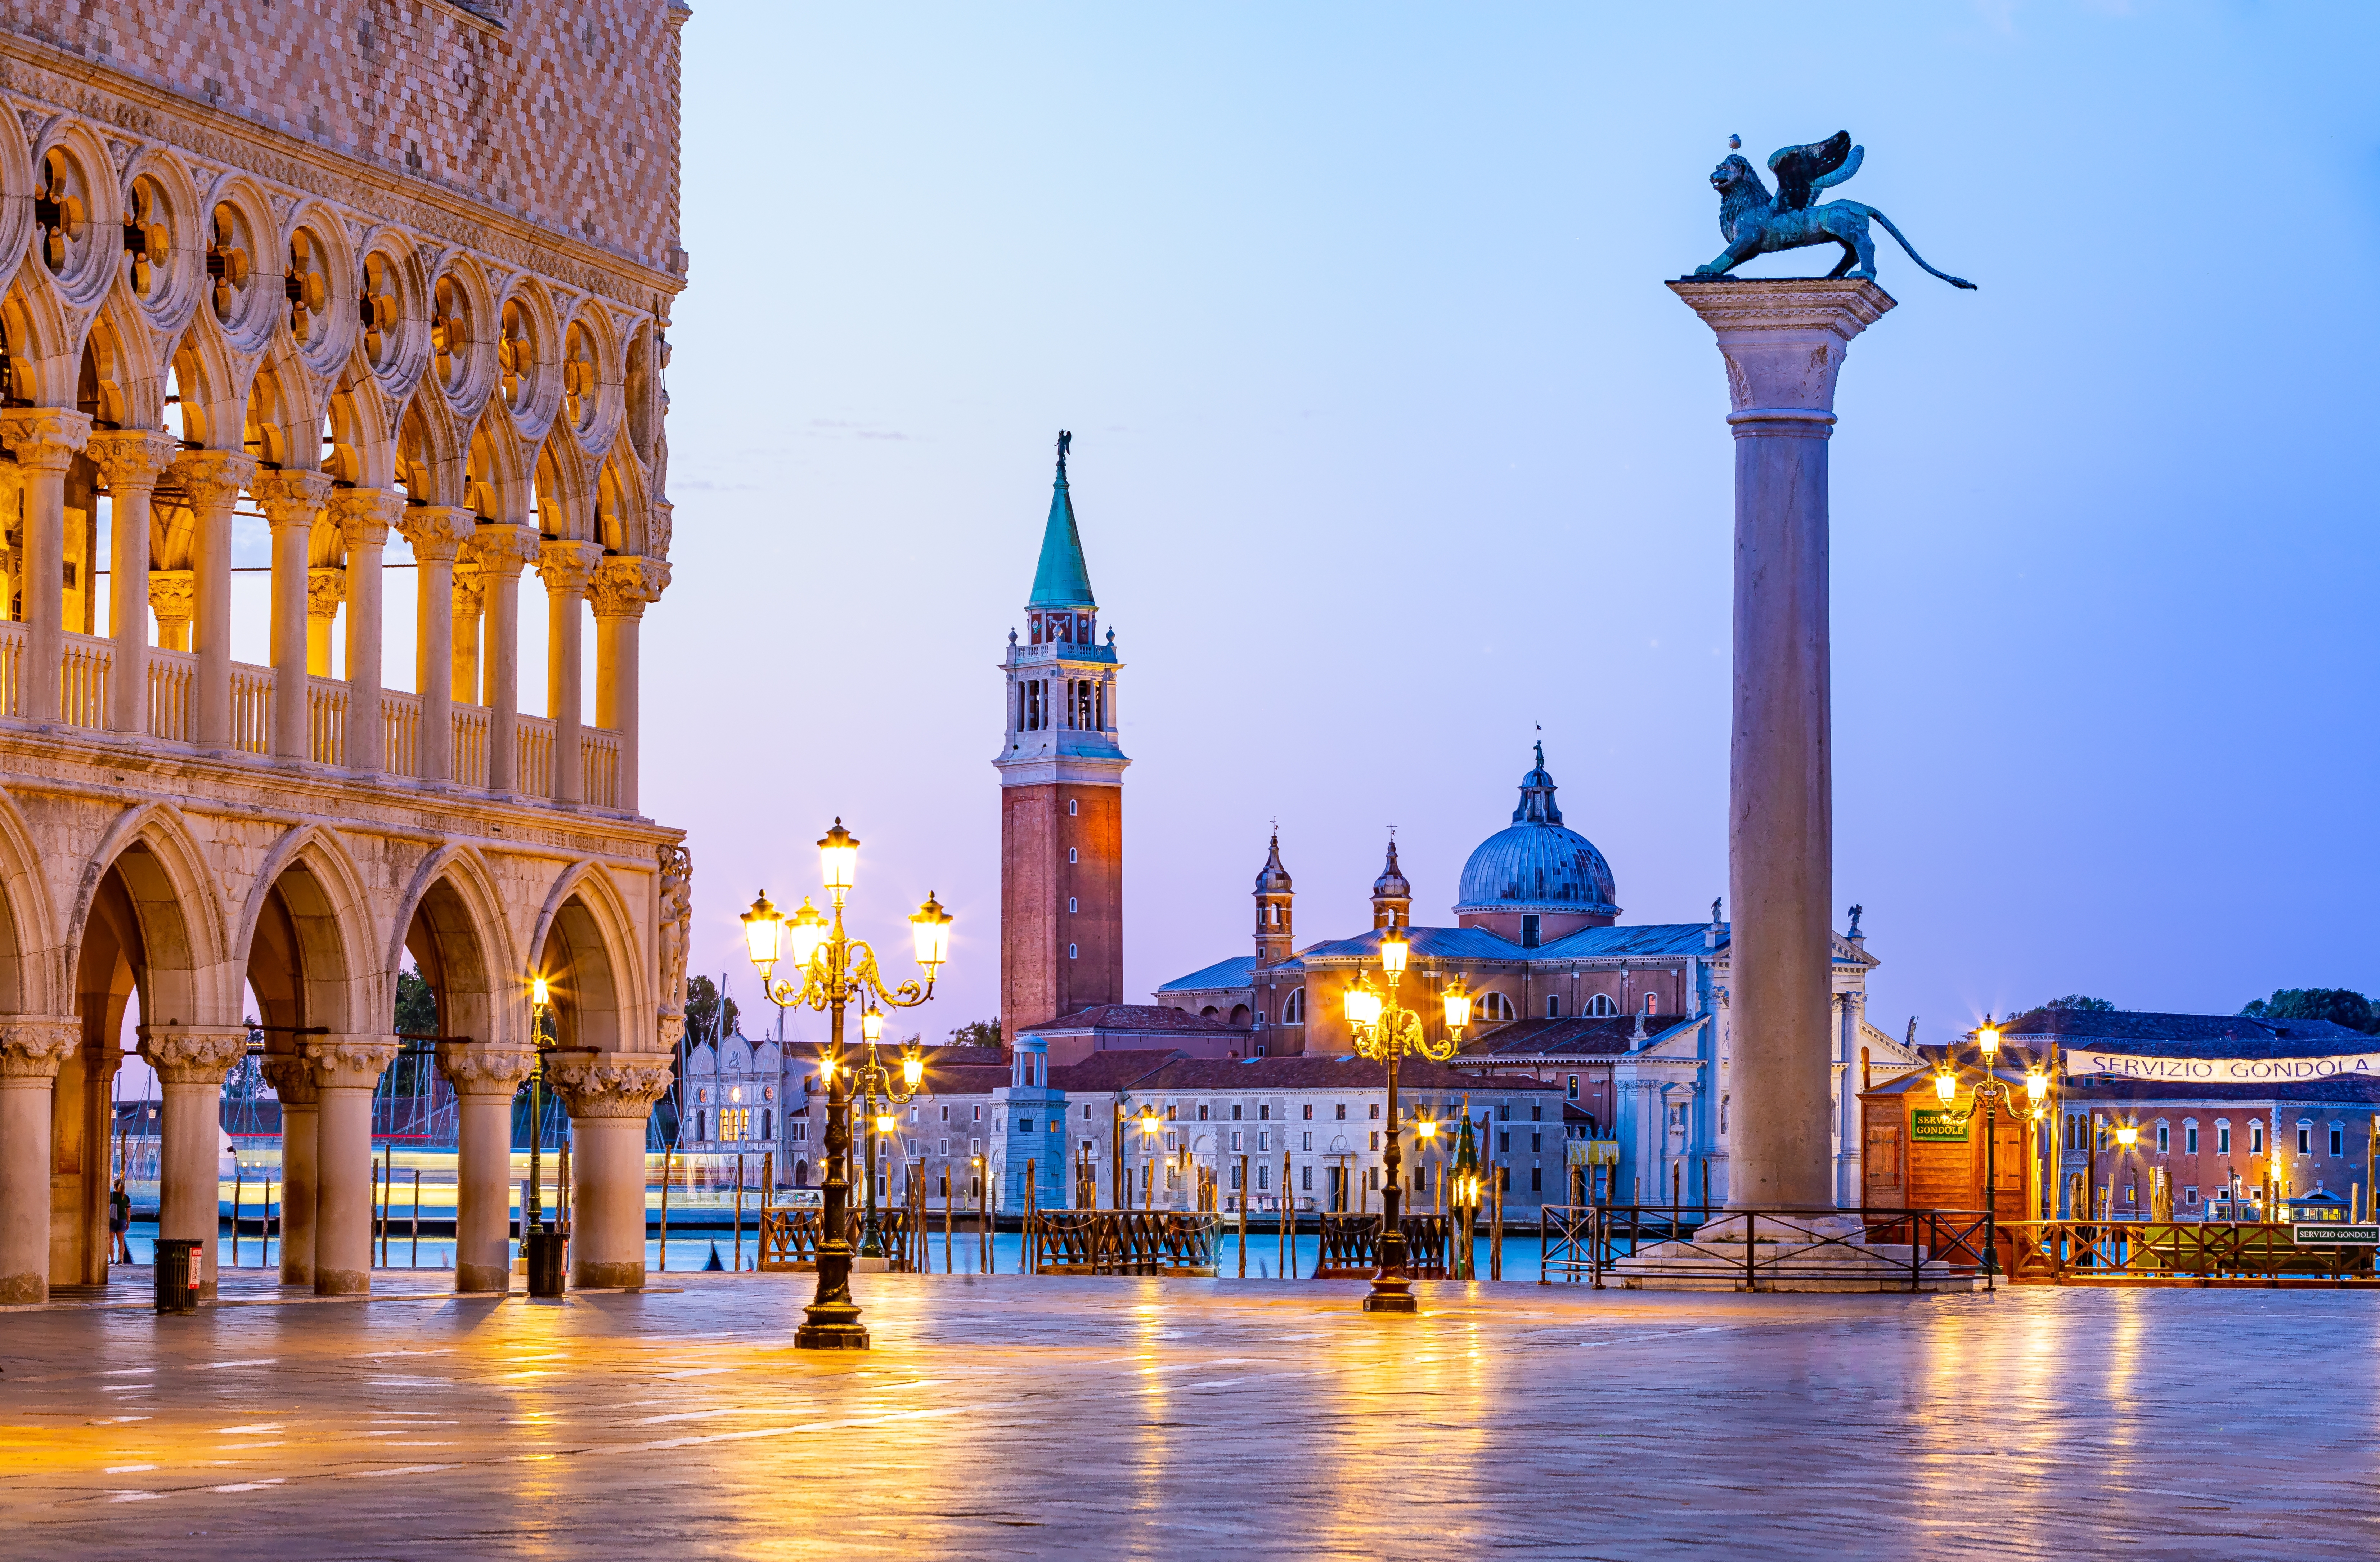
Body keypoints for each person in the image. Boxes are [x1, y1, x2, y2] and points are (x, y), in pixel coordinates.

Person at [109, 1176, 133, 1265]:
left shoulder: (111, 1195)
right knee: (121, 1242)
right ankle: (121, 1260)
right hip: (122, 1221)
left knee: (111, 1241)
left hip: (112, 1221)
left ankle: (112, 1260)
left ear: (114, 1186)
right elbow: (129, 1212)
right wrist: (128, 1223)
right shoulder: (126, 1197)